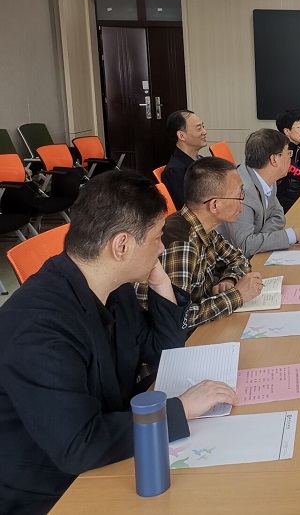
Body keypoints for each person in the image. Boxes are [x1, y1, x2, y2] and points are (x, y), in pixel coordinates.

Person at [0, 171, 238, 513]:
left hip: (105, 458)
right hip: (52, 490)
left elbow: (160, 353)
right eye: (157, 238)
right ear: (121, 246)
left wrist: (160, 283)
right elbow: (79, 445)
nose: (162, 248)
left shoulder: (112, 286)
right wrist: (180, 409)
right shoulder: (39, 328)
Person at [137, 157, 263, 328]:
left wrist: (229, 279)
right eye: (239, 195)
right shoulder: (181, 244)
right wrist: (237, 295)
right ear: (214, 205)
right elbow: (179, 320)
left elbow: (238, 258)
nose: (243, 201)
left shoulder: (204, 227)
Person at [219, 129, 300, 256]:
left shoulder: (266, 176)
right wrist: (290, 236)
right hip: (229, 262)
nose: (290, 158)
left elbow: (278, 216)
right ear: (274, 159)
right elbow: (245, 245)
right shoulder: (241, 191)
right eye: (288, 153)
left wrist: (261, 238)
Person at [161, 109, 207, 210]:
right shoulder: (174, 171)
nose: (204, 132)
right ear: (182, 136)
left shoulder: (201, 161)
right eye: (199, 128)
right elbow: (187, 209)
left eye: (203, 127)